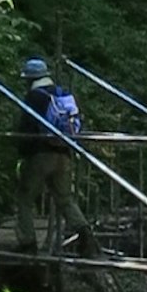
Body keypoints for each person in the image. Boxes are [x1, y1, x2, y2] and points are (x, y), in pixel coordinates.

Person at [20, 53, 86, 246]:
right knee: (65, 199)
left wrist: (22, 154)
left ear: (30, 79)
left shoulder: (34, 96)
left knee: (25, 197)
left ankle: (27, 242)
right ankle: (86, 238)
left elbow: (26, 128)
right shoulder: (61, 93)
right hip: (64, 153)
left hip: (40, 154)